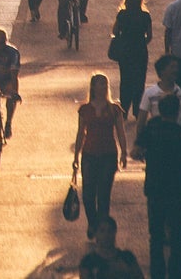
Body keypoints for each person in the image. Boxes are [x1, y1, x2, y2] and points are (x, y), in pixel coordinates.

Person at [139, 94, 181, 279]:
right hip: (179, 191)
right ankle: (175, 274)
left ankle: (157, 274)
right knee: (177, 240)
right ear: (178, 112)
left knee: (156, 238)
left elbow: (136, 151)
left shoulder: (151, 132)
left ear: (160, 111)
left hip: (155, 190)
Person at [74, 73, 130, 240]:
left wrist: (124, 152)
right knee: (88, 195)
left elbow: (120, 132)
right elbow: (80, 133)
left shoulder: (114, 109)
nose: (103, 87)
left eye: (105, 84)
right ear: (93, 87)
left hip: (108, 154)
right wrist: (76, 156)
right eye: (100, 84)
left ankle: (101, 229)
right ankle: (93, 222)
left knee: (104, 194)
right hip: (89, 154)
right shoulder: (85, 109)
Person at [110, 0, 153, 112]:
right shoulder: (145, 16)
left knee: (125, 79)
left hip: (125, 51)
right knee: (139, 80)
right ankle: (137, 108)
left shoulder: (122, 14)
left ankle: (124, 108)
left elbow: (115, 31)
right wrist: (142, 43)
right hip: (140, 51)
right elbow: (149, 36)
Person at [79, 217, 146, 279]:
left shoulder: (127, 258)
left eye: (110, 231)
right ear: (96, 234)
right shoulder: (88, 262)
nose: (106, 235)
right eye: (102, 231)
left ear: (114, 233)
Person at [138, 54, 181, 121]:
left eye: (176, 67)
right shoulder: (149, 93)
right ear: (162, 71)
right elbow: (141, 121)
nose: (176, 70)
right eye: (172, 67)